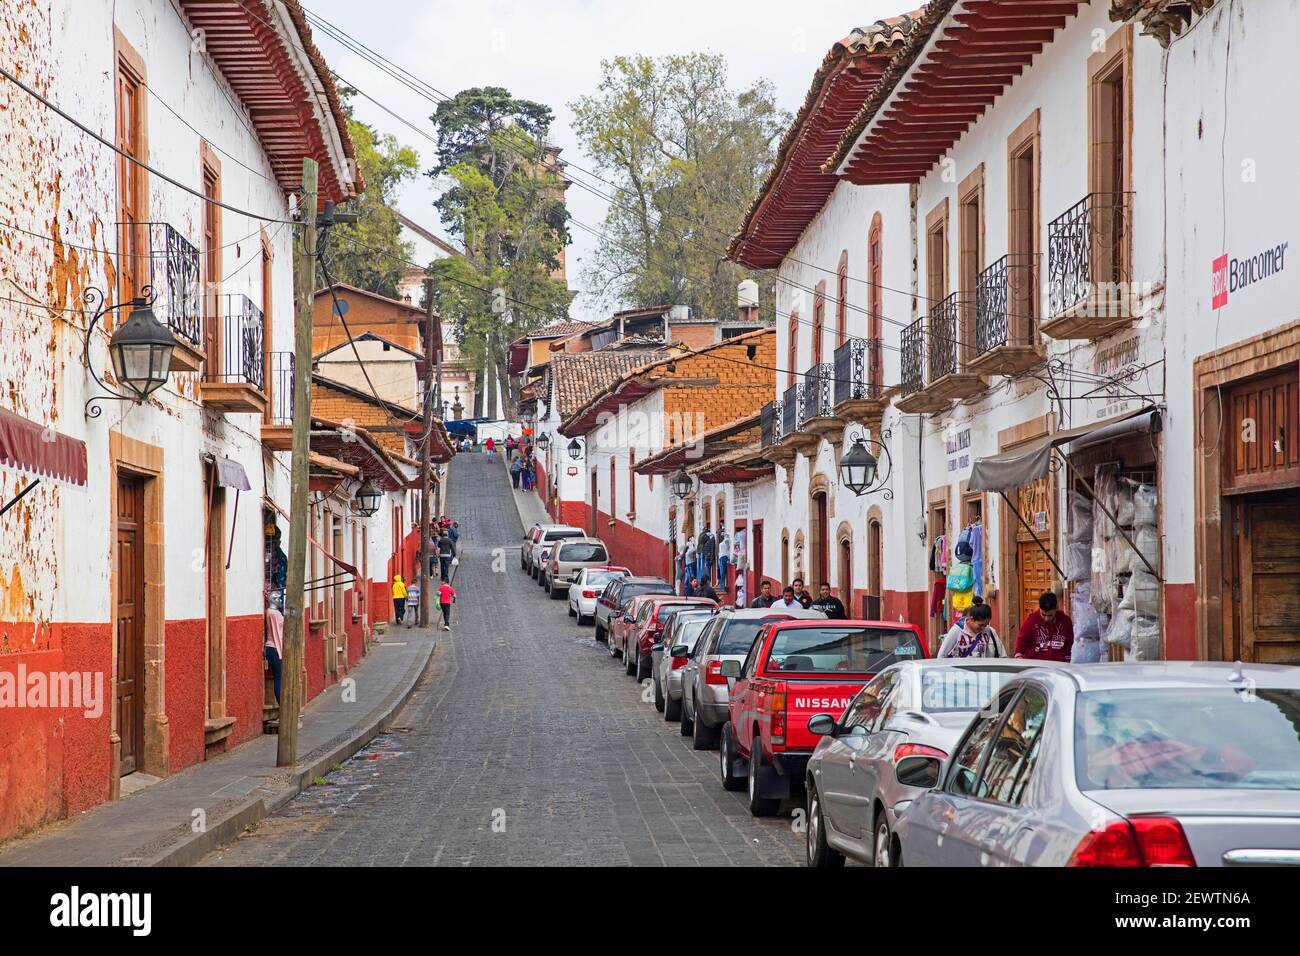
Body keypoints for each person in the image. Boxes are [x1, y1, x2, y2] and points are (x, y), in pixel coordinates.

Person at [1015, 591, 1074, 661]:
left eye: (1050, 615)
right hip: (1036, 666)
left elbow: (1070, 644)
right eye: (1043, 614)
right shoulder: (1030, 622)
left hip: (1059, 666)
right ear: (1039, 608)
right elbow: (1020, 648)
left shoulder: (1065, 621)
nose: (1046, 618)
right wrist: (1020, 659)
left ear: (1056, 608)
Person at [938, 601, 1005, 658]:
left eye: (986, 625)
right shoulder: (956, 631)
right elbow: (942, 655)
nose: (983, 628)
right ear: (971, 619)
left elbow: (1002, 655)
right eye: (980, 625)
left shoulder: (989, 631)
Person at [264, 589, 285, 704]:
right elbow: (276, 633)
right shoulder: (272, 614)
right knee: (278, 678)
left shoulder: (274, 612)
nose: (280, 600)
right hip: (274, 648)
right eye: (277, 598)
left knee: (279, 677)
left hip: (274, 648)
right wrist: (280, 652)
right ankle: (281, 705)